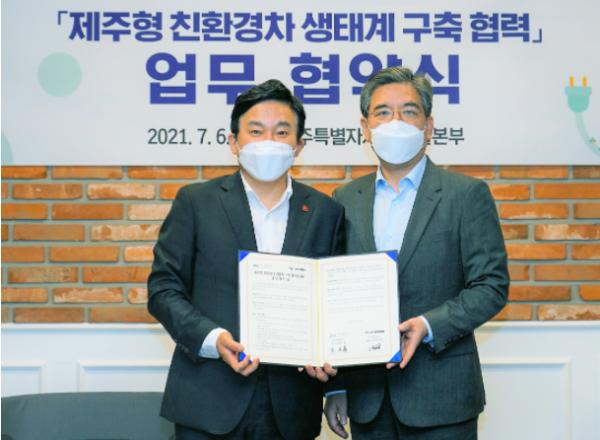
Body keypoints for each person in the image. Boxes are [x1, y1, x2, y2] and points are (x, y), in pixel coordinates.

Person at [148, 79, 344, 440]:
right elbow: (163, 289)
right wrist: (213, 338)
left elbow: (335, 302)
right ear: (233, 142)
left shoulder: (325, 212)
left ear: (299, 145)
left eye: (281, 132)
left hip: (291, 406)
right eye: (256, 131)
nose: (269, 141)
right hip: (208, 399)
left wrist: (335, 376)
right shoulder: (196, 202)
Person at [324, 66, 509, 439]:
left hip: (442, 399)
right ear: (365, 128)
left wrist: (428, 325)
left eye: (408, 111)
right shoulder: (345, 199)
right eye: (382, 112)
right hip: (368, 399)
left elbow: (491, 286)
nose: (395, 122)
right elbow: (334, 297)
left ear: (428, 127)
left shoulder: (465, 195)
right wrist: (336, 387)